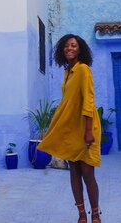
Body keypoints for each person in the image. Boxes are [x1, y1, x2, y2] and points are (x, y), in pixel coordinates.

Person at [37, 34, 102, 223]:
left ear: (80, 49)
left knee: (88, 173)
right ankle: (81, 215)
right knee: (74, 171)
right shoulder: (68, 72)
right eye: (66, 46)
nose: (69, 48)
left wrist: (89, 130)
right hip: (71, 129)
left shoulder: (83, 70)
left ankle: (96, 214)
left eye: (73, 45)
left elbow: (88, 100)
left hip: (85, 127)